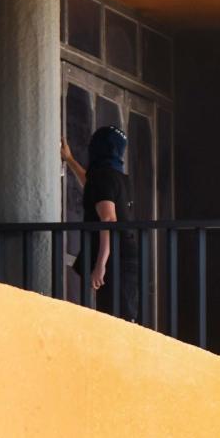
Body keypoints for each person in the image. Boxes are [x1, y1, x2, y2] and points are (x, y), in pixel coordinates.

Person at [73, 126, 138, 321]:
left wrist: (101, 264)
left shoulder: (102, 177)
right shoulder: (118, 178)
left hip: (116, 260)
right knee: (122, 316)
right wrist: (69, 160)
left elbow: (108, 219)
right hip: (127, 256)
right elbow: (91, 184)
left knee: (114, 317)